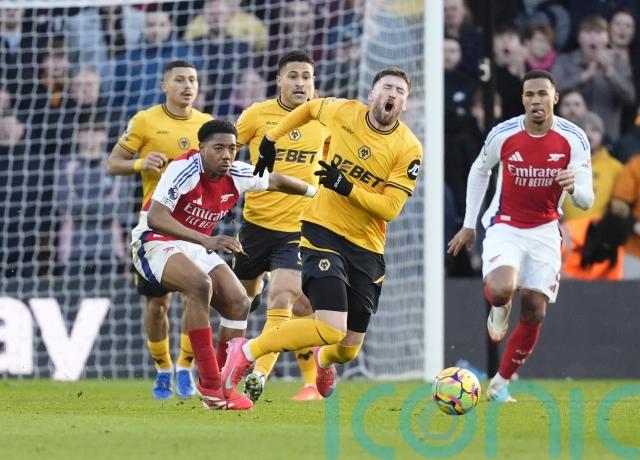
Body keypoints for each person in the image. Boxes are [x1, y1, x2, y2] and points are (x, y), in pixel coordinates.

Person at [220, 68, 423, 400]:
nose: (393, 94)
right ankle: (246, 352)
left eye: (400, 92)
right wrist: (271, 138)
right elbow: (310, 108)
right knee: (328, 325)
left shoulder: (409, 147)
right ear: (372, 95)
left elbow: (389, 209)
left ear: (405, 104)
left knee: (347, 348)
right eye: (387, 87)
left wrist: (347, 187)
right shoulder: (343, 111)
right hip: (322, 231)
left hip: (367, 246)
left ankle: (324, 360)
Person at [131, 119, 318, 410]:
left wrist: (318, 193)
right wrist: (207, 240)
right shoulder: (183, 169)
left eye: (231, 149)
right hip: (154, 240)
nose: (226, 155)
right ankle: (210, 387)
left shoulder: (238, 174)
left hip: (194, 244)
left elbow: (278, 181)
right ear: (201, 148)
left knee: (239, 302)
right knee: (199, 285)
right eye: (218, 148)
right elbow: (156, 217)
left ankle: (223, 385)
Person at [447, 69, 594, 403]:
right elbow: (479, 170)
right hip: (506, 225)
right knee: (502, 289)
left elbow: (587, 199)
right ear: (523, 99)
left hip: (545, 230)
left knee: (535, 310)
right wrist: (469, 224)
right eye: (530, 94)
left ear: (555, 98)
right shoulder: (504, 133)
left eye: (542, 94)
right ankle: (500, 306)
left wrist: (574, 188)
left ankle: (500, 382)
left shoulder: (574, 138)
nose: (536, 100)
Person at [106, 60, 212, 400]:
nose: (187, 86)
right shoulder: (145, 120)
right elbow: (113, 162)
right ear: (164, 86)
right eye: (179, 80)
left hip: (194, 224)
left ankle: (184, 367)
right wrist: (141, 162)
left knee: (197, 293)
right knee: (157, 305)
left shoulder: (207, 125)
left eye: (192, 80)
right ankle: (163, 368)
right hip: (156, 224)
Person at [232, 50, 330, 403]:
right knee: (241, 302)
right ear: (279, 80)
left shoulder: (326, 120)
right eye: (293, 76)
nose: (300, 83)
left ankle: (258, 374)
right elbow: (224, 152)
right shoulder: (256, 115)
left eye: (307, 76)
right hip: (254, 226)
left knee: (284, 295)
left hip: (299, 229)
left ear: (314, 83)